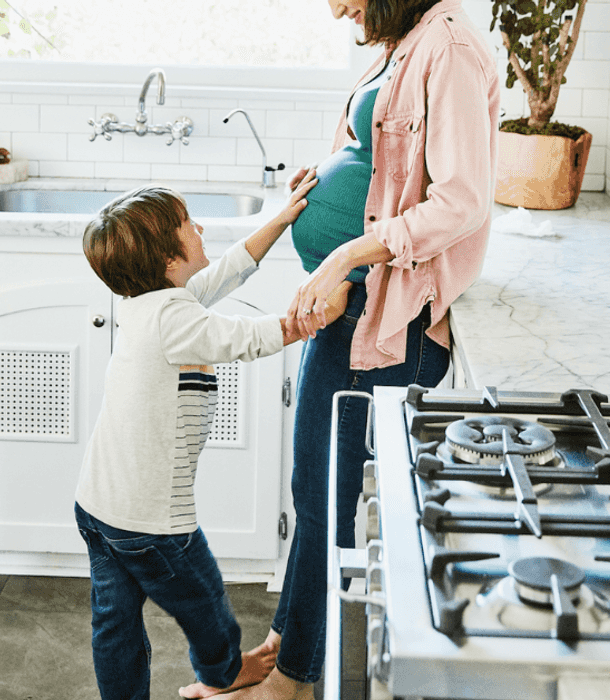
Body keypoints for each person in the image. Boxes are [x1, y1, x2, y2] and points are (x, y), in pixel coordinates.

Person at [201, 1, 500, 699]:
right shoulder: (405, 43)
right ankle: (284, 647)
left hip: (390, 318)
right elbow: (385, 167)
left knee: (333, 501)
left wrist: (344, 258)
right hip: (353, 308)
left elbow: (461, 201)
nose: (334, 6)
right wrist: (332, 184)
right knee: (315, 492)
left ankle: (294, 682)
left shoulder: (449, 50)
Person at [74, 173, 351, 700]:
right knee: (203, 601)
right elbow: (245, 338)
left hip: (99, 505)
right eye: (187, 225)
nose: (200, 228)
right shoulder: (173, 320)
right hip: (151, 521)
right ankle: (223, 671)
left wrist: (280, 219)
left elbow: (226, 272)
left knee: (114, 623)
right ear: (167, 261)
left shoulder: (149, 300)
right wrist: (315, 316)